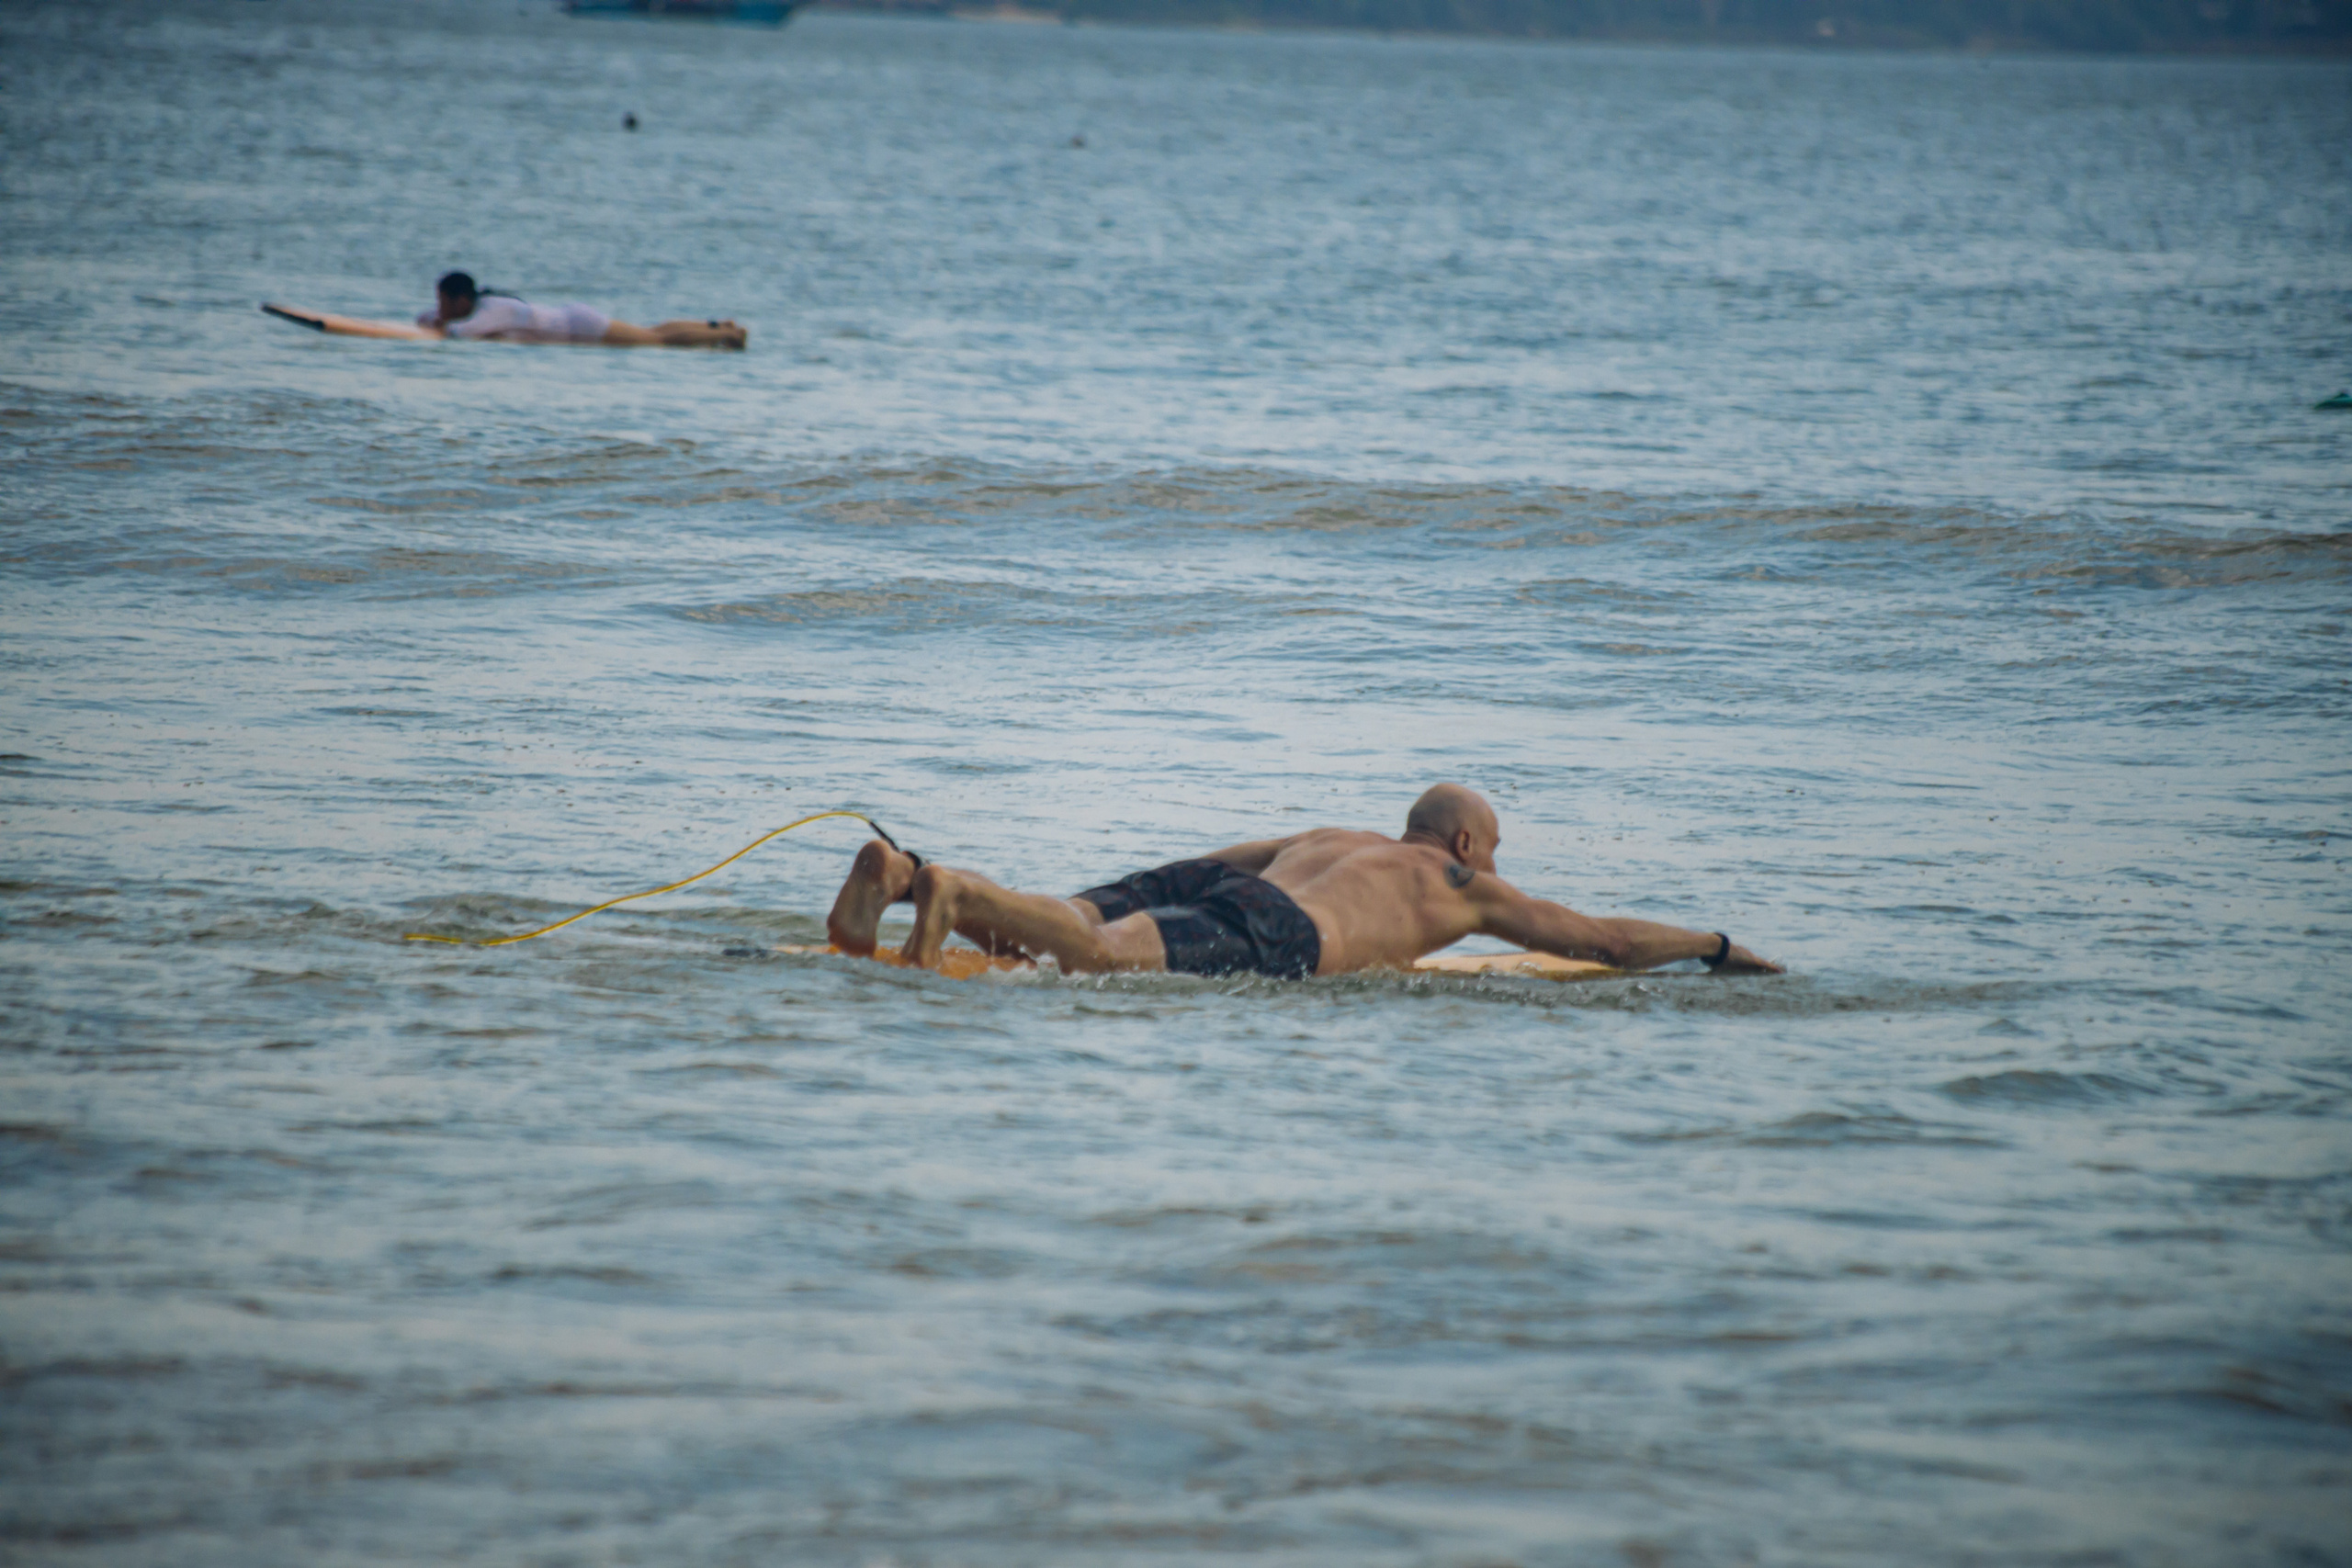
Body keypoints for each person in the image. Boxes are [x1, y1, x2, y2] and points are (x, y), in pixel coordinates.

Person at [823, 784, 1782, 980]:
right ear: (1462, 839)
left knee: (1072, 922)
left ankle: (911, 877)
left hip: (1237, 876)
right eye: (1492, 850)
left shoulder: (1338, 832)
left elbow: (1216, 865)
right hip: (1288, 932)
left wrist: (1107, 893)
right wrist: (1713, 945)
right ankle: (948, 892)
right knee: (1107, 958)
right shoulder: (1455, 879)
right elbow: (1601, 941)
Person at [418, 271, 746, 349]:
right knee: (653, 332)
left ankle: (728, 334)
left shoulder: (492, 309)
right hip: (574, 322)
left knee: (655, 340)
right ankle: (717, 326)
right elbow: (427, 318)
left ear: (461, 301)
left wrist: (439, 325)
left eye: (443, 302)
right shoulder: (484, 307)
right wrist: (433, 318)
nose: (439, 308)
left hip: (579, 326)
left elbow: (462, 332)